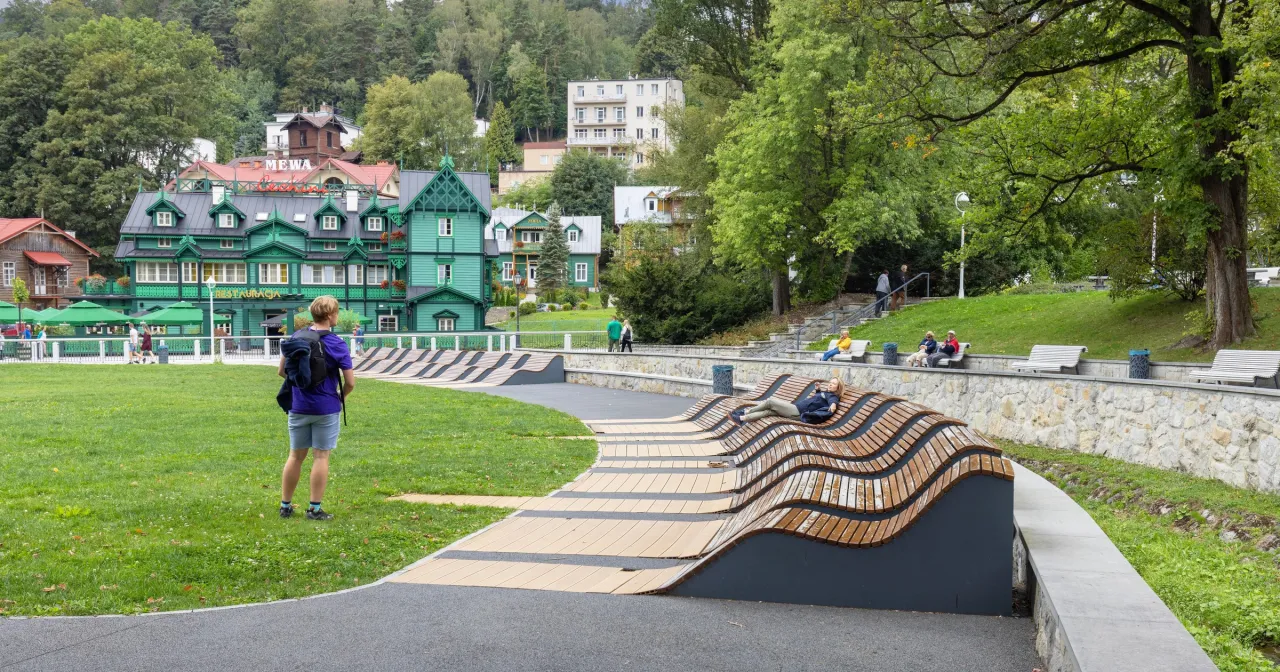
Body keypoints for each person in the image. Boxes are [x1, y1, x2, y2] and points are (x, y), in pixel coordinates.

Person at [276, 296, 355, 521]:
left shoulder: (297, 337)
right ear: (330, 315)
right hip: (326, 407)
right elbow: (350, 382)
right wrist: (341, 397)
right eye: (337, 313)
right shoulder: (336, 343)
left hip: (299, 406)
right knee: (321, 456)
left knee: (295, 456)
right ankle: (314, 509)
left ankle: (285, 506)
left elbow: (281, 372)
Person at [736, 378, 845, 424]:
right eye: (830, 382)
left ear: (838, 388)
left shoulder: (833, 396)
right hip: (796, 409)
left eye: (834, 383)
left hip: (797, 412)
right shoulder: (826, 393)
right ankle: (742, 418)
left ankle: (746, 412)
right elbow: (819, 400)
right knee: (768, 412)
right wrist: (818, 390)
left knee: (770, 402)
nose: (830, 384)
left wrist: (834, 405)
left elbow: (833, 401)